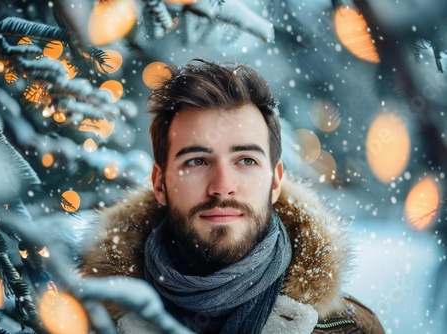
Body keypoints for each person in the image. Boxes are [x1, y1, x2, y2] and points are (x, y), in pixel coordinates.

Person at [80, 59, 384, 333]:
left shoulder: (349, 329)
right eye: (196, 161)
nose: (223, 186)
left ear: (275, 182)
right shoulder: (83, 324)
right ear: (160, 184)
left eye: (246, 160)